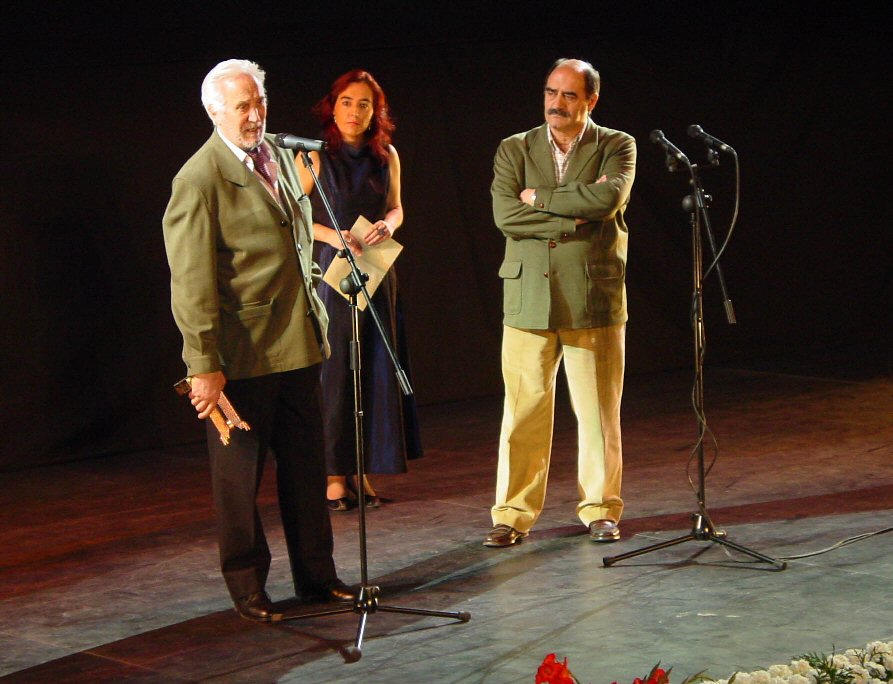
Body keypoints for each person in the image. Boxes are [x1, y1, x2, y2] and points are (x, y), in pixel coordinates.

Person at [162, 58, 356, 621]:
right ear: (214, 112)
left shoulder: (279, 155)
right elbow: (192, 281)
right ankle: (248, 588)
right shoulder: (198, 179)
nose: (254, 115)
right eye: (242, 106)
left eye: (259, 102)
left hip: (296, 342)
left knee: (304, 469)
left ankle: (318, 578)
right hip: (241, 355)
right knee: (238, 483)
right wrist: (203, 363)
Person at [484, 58, 636, 547]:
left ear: (591, 100)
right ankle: (511, 514)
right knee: (523, 410)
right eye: (551, 92)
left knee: (597, 412)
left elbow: (605, 203)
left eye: (569, 95)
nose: (557, 103)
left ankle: (601, 509)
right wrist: (572, 217)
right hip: (528, 296)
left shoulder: (617, 145)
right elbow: (506, 215)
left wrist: (541, 198)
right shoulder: (514, 148)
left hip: (592, 294)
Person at [295, 69, 423, 511]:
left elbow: (397, 207)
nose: (354, 111)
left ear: (376, 111)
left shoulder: (386, 154)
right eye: (347, 101)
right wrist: (334, 237)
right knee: (336, 373)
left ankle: (364, 470)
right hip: (332, 274)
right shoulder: (314, 157)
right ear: (333, 105)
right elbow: (291, 218)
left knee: (374, 367)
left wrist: (390, 223)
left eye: (364, 104)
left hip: (375, 269)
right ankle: (334, 476)